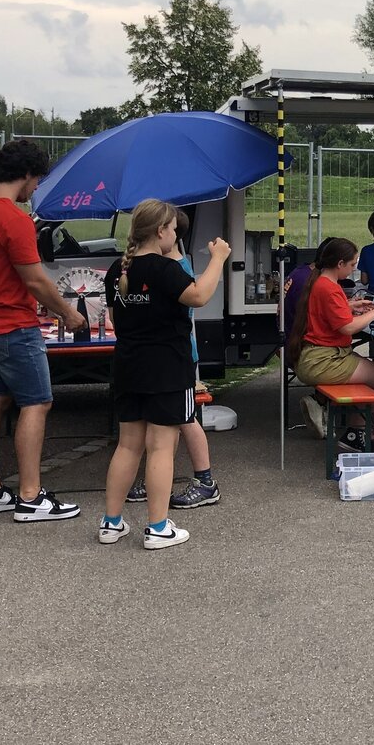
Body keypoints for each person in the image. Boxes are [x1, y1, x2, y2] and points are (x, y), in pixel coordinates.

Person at [0, 139, 85, 522]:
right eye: (37, 181)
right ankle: (31, 496)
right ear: (27, 174)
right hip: (12, 324)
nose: (35, 189)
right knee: (37, 402)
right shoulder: (13, 219)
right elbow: (34, 279)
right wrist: (68, 313)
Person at [99, 199, 230, 550]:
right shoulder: (165, 269)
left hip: (128, 366)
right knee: (160, 448)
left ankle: (111, 522)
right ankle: (157, 527)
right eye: (173, 229)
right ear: (160, 232)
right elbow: (199, 296)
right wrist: (217, 258)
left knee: (128, 446)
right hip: (168, 368)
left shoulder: (117, 269)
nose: (175, 234)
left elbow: (113, 318)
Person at [125, 224, 222, 510]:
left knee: (185, 418)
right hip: (163, 356)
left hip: (178, 355)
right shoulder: (163, 264)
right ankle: (157, 480)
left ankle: (206, 482)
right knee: (168, 424)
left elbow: (198, 298)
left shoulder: (175, 265)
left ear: (166, 234)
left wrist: (218, 259)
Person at [287, 237, 374, 452]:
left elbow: (328, 313)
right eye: (353, 265)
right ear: (340, 264)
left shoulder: (319, 281)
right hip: (325, 361)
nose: (354, 270)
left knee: (370, 376)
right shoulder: (330, 288)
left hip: (315, 358)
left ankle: (356, 433)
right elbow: (347, 328)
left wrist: (350, 305)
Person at [281, 256, 328, 439]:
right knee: (342, 358)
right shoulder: (315, 281)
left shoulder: (299, 272)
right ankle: (320, 403)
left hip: (288, 342)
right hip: (301, 350)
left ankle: (320, 403)